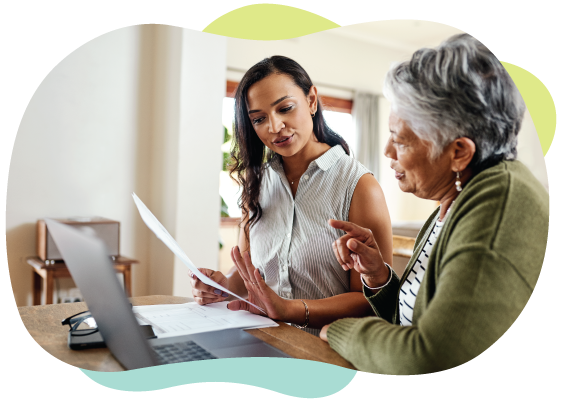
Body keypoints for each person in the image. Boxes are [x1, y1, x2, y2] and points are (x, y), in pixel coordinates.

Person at [318, 34, 549, 374]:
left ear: (458, 152)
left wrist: (339, 329)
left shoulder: (500, 205)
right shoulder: (454, 201)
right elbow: (414, 322)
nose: (387, 152)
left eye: (399, 139)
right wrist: (379, 274)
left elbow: (428, 359)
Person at [190, 56, 393, 336]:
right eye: (259, 119)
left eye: (285, 108)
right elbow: (250, 272)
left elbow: (372, 301)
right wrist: (221, 285)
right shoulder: (257, 182)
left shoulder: (359, 186)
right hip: (260, 343)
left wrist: (289, 309)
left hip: (324, 352)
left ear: (311, 100)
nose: (274, 127)